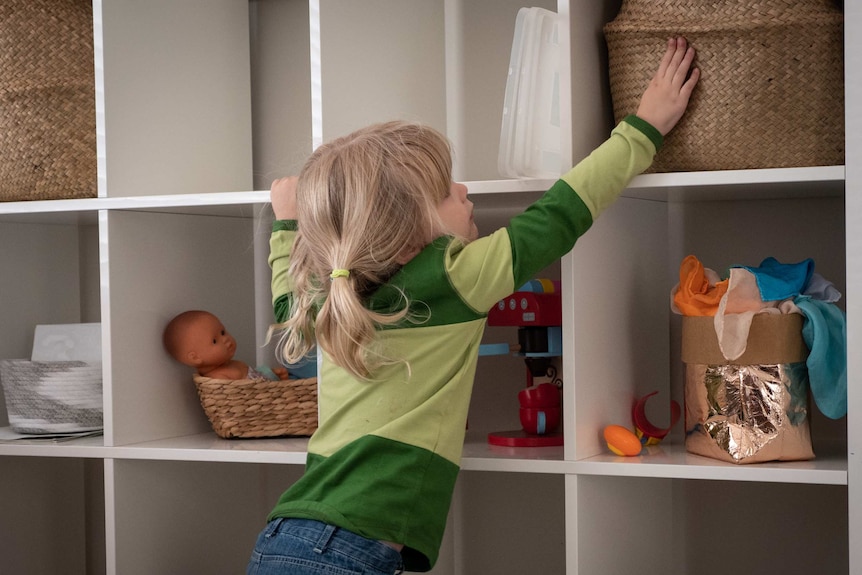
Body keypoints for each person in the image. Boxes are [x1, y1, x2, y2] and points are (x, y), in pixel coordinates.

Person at [248, 37, 699, 574]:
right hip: (346, 554)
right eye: (445, 192)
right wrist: (643, 128)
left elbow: (285, 302)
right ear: (405, 236)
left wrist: (286, 224)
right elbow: (561, 214)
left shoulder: (336, 292)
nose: (463, 189)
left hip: (289, 537)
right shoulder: (453, 277)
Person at [163, 309, 288, 381]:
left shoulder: (235, 364)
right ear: (195, 358)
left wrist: (271, 374)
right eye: (215, 341)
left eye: (223, 332)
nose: (225, 339)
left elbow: (257, 377)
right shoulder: (218, 378)